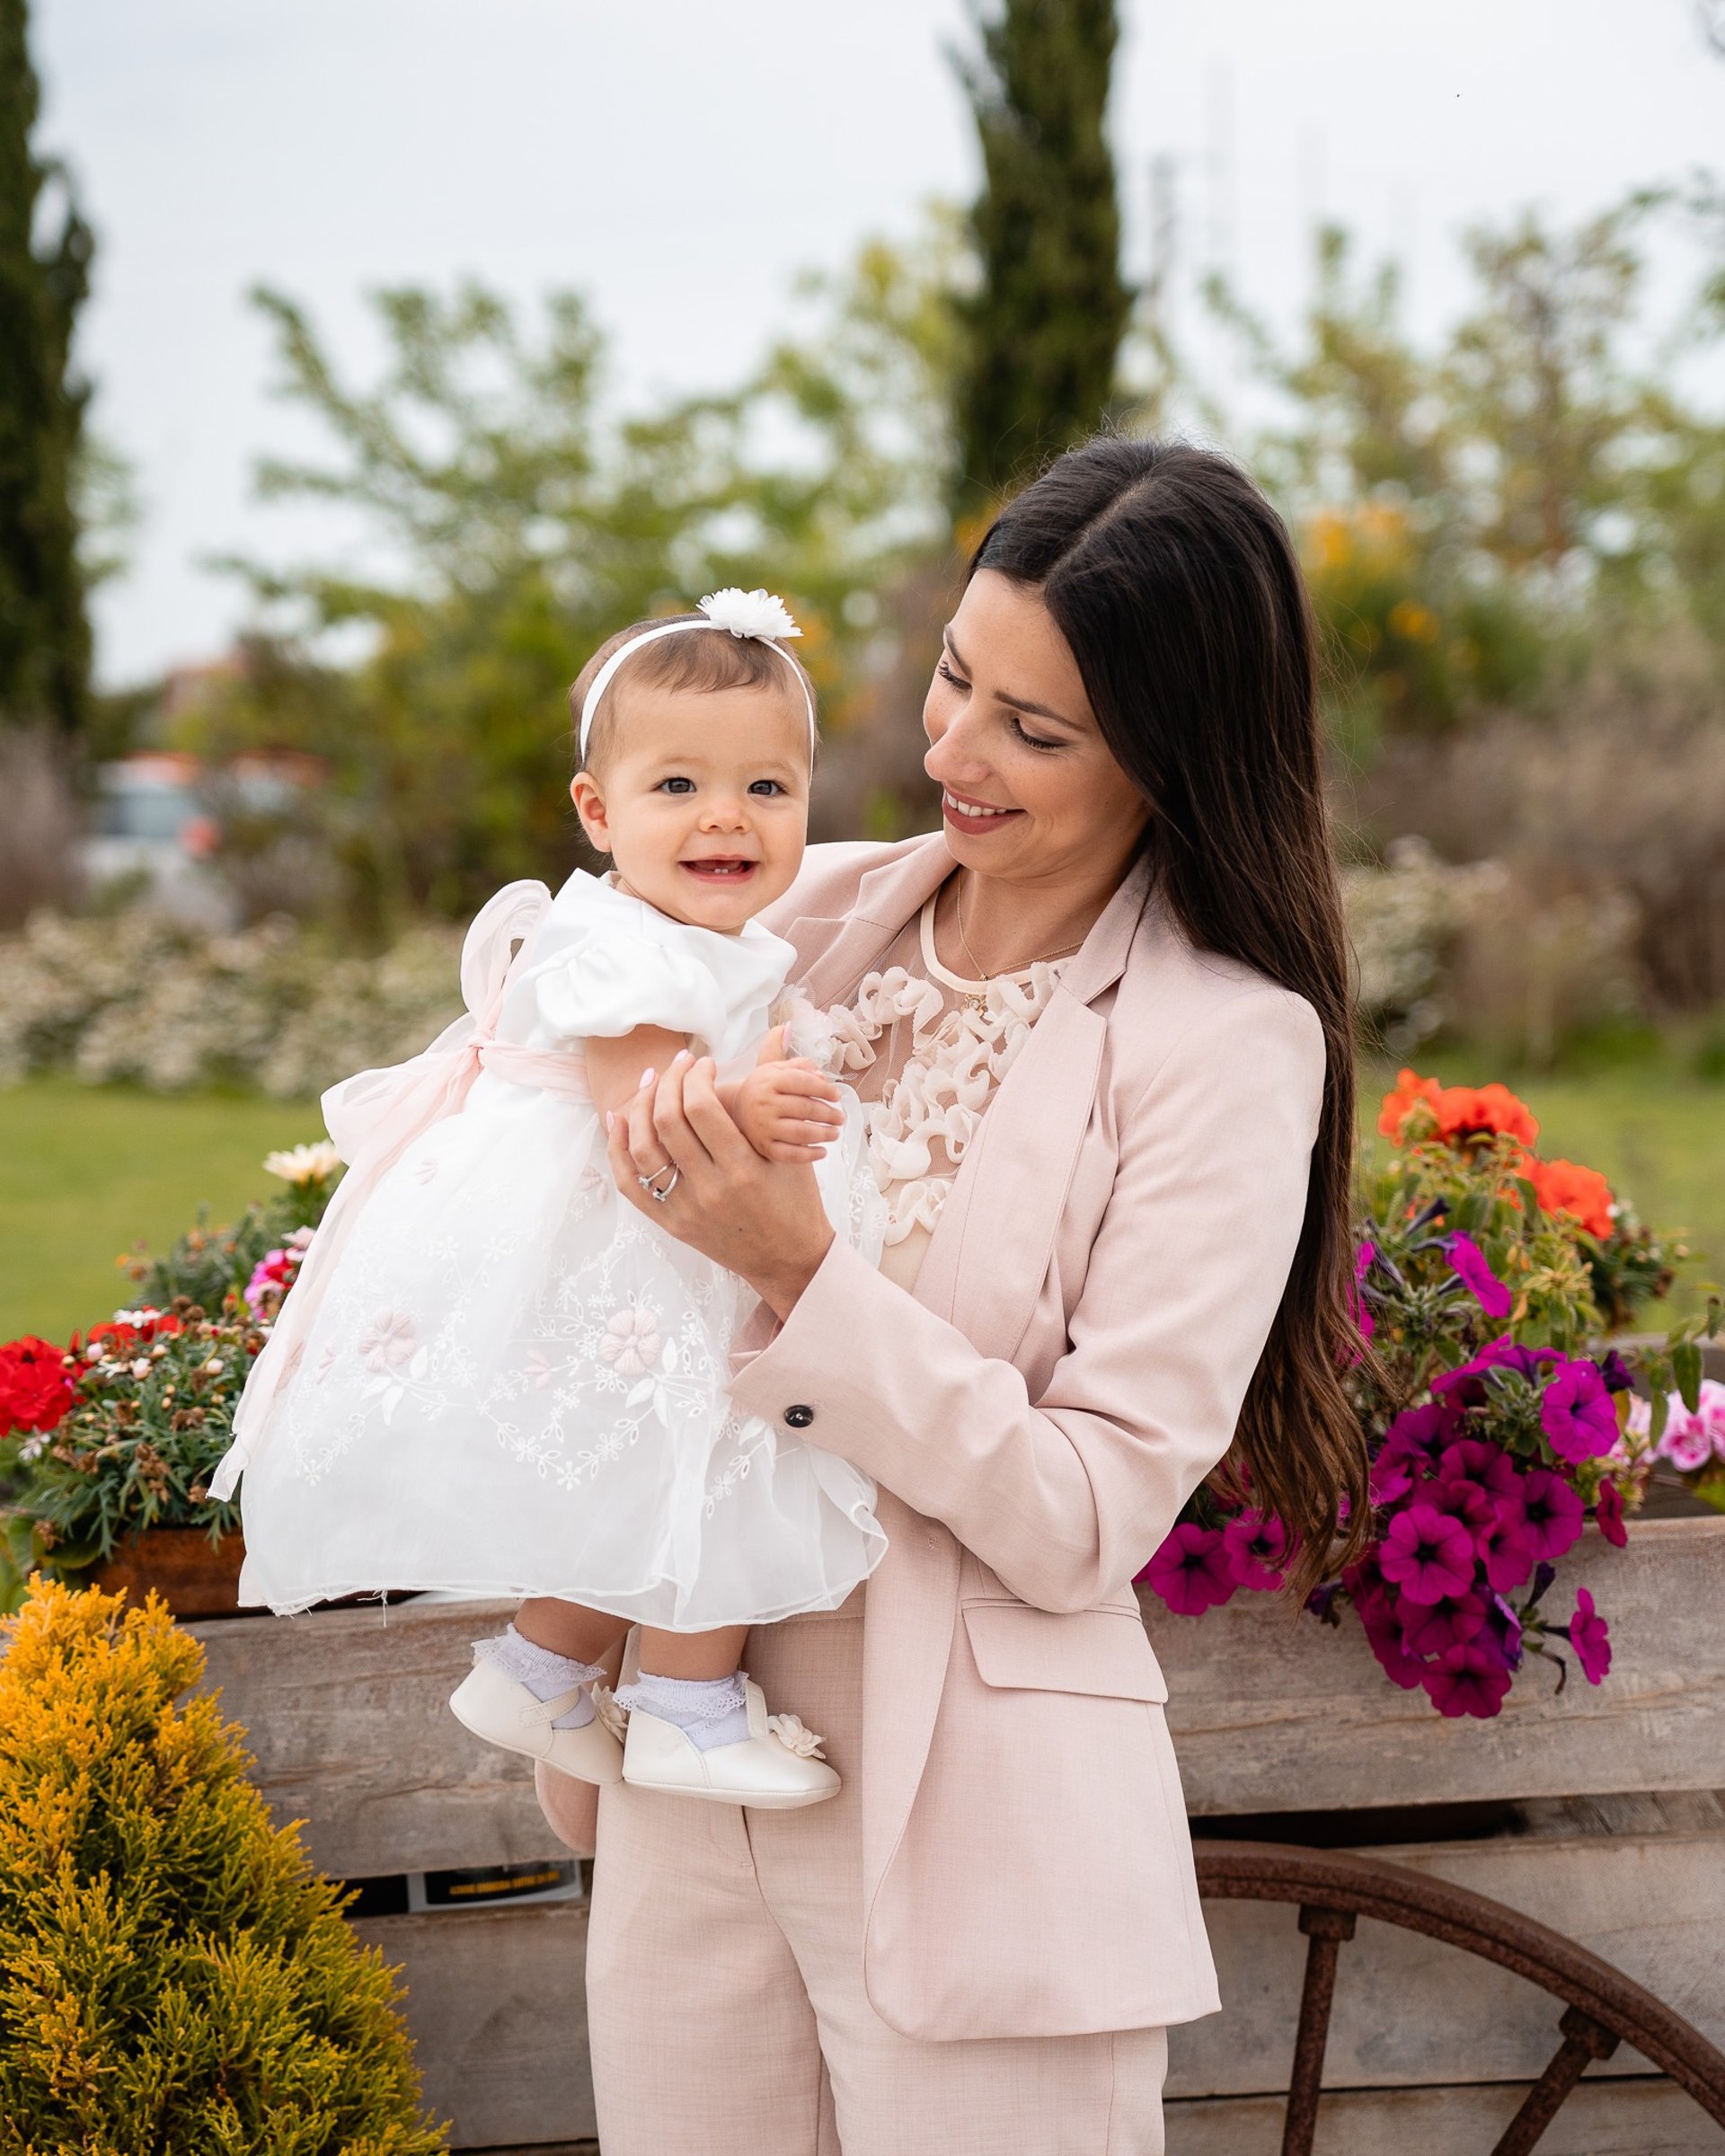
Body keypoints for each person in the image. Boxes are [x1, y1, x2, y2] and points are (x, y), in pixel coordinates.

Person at [535, 439, 1372, 2156]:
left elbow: (1082, 1514)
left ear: (1174, 749)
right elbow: (540, 1046)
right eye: (952, 676)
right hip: (684, 1784)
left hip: (986, 1840)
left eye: (1033, 730)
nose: (949, 752)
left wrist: (797, 1266)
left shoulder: (1226, 1044)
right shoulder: (797, 913)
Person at [211, 588, 889, 1810]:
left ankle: (537, 1673)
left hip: (663, 1234)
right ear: (598, 810)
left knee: (656, 1461)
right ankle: (684, 1704)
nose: (725, 816)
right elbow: (647, 1110)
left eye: (767, 789)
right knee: (723, 1433)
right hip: (615, 1235)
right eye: (676, 787)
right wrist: (757, 1100)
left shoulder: (703, 935)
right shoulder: (618, 946)